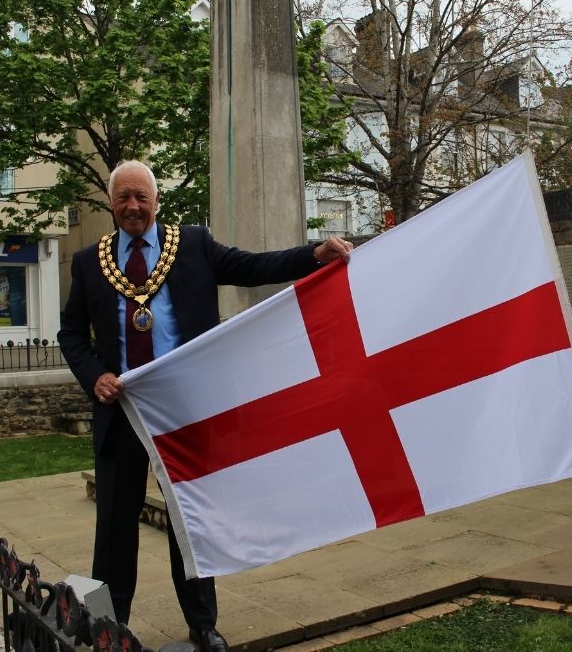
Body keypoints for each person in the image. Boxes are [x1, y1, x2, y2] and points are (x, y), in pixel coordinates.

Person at [58, 160, 352, 652]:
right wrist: (95, 376)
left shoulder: (191, 244)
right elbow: (71, 333)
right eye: (123, 197)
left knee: (189, 522)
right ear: (111, 202)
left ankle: (202, 623)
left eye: (141, 197)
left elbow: (253, 267)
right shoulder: (90, 260)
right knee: (113, 525)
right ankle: (110, 626)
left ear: (156, 200)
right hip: (122, 411)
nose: (133, 206)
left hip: (185, 410)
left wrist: (313, 254)